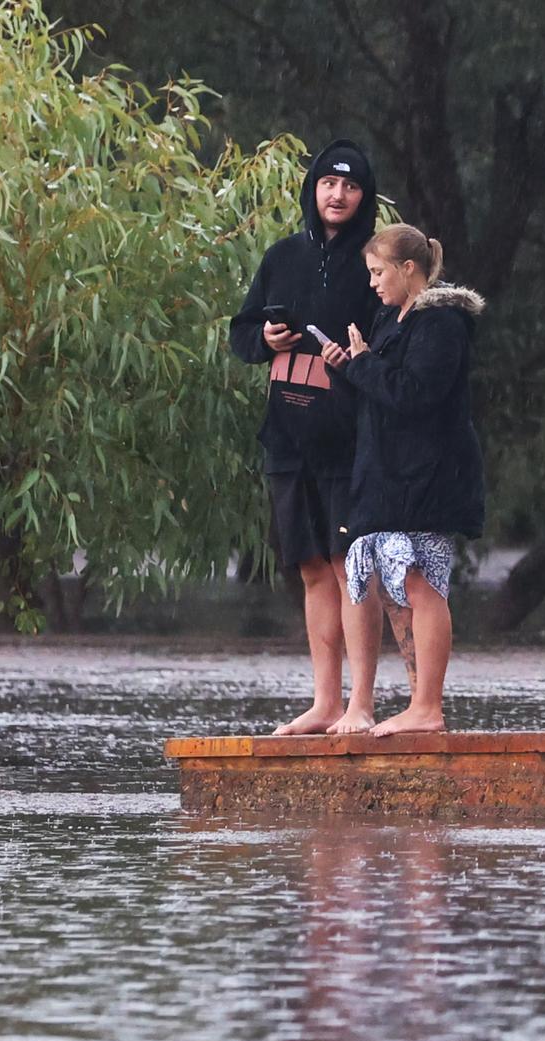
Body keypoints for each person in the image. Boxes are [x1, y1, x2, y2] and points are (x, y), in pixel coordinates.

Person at [230, 140, 394, 735]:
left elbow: (395, 338)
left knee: (351, 563)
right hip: (286, 435)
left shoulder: (374, 262)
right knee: (309, 568)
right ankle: (326, 703)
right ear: (313, 188)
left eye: (350, 186)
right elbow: (240, 332)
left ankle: (362, 705)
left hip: (349, 435)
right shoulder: (282, 256)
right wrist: (265, 340)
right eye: (328, 183)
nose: (337, 194)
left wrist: (360, 357)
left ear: (363, 196)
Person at [322, 224, 485, 736]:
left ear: (407, 269)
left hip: (429, 476)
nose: (371, 283)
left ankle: (427, 708)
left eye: (377, 272)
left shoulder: (441, 323)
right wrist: (346, 368)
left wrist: (367, 364)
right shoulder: (390, 319)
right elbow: (378, 396)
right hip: (386, 475)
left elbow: (416, 395)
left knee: (421, 582)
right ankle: (405, 705)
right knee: (385, 581)